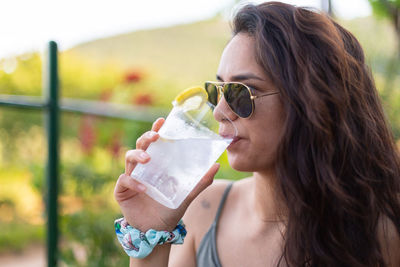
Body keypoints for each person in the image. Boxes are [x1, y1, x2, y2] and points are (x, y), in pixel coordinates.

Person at [114, 1, 400, 266]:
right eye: (218, 91)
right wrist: (151, 232)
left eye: (241, 93)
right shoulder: (204, 210)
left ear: (310, 102)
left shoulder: (376, 237)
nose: (219, 112)